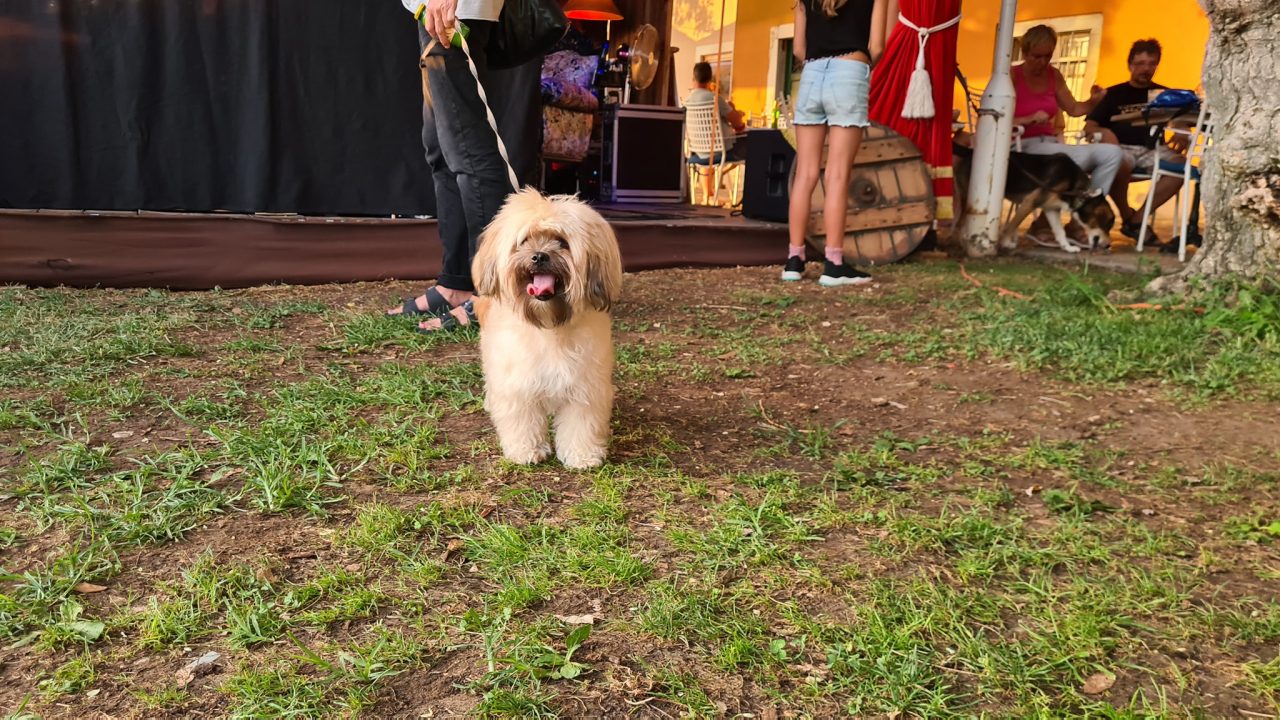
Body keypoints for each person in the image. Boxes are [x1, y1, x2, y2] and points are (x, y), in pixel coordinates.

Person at [387, 0, 541, 331]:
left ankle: (495, 295)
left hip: (456, 12)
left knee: (469, 152)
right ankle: (456, 282)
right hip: (434, 10)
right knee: (442, 151)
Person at [784, 0, 890, 286]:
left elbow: (798, 49)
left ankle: (794, 261)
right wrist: (859, 68)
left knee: (805, 173)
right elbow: (878, 46)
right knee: (838, 174)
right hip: (850, 71)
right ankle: (833, 264)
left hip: (811, 73)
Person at [1083, 38, 1190, 246]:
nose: (1146, 69)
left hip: (1154, 148)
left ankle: (1138, 219)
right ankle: (1127, 216)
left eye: (1152, 64)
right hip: (1120, 148)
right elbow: (1089, 127)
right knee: (1115, 162)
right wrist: (1105, 133)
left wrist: (1183, 127)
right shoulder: (1112, 94)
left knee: (1182, 167)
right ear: (1130, 65)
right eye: (1140, 64)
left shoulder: (1164, 95)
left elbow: (1182, 119)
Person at [687, 61, 747, 205]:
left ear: (693, 79)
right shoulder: (714, 99)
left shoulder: (687, 102)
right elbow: (737, 123)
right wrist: (736, 112)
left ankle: (709, 196)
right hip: (722, 150)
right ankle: (750, 197)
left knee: (708, 154)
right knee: (755, 150)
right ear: (710, 80)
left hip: (697, 152)